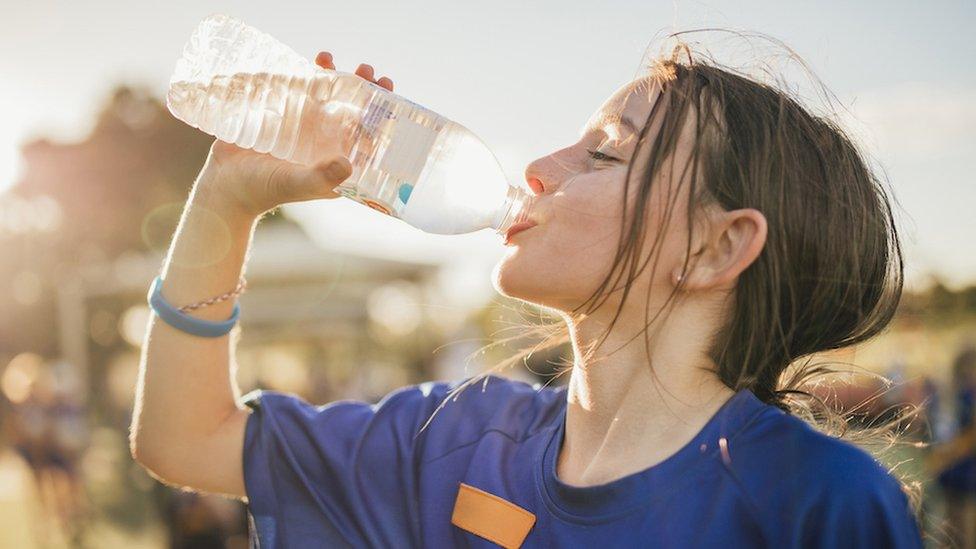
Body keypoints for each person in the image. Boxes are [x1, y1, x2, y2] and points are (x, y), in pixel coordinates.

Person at [130, 40, 924, 548]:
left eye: (604, 154)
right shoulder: (456, 437)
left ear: (715, 246)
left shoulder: (817, 505)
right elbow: (184, 439)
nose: (540, 165)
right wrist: (227, 200)